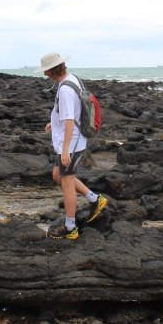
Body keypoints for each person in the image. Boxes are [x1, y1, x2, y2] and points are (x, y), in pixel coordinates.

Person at [35, 53, 108, 240]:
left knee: (67, 182)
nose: (45, 75)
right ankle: (94, 198)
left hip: (71, 143)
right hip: (72, 139)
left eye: (46, 71)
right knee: (57, 175)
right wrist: (55, 123)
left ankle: (70, 227)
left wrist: (66, 149)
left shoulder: (65, 89)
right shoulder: (72, 79)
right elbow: (71, 113)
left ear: (51, 70)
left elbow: (69, 120)